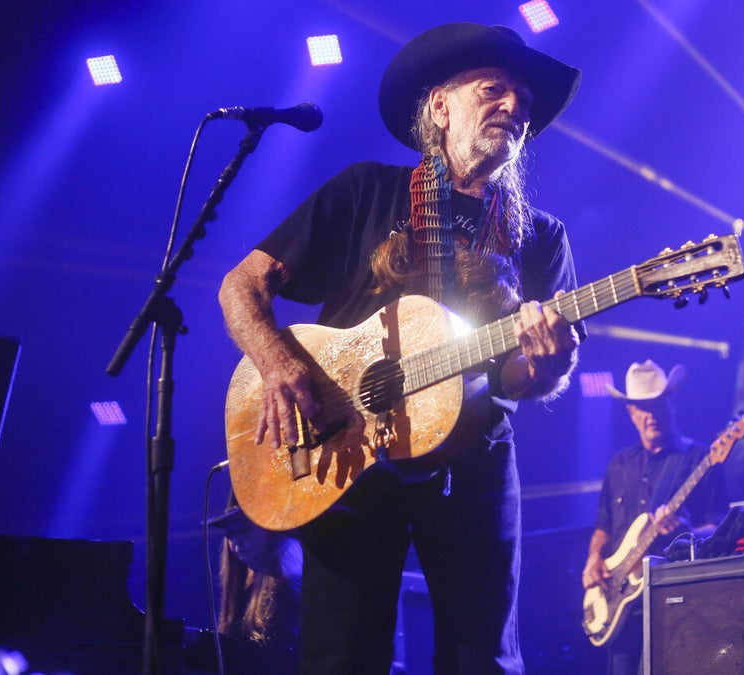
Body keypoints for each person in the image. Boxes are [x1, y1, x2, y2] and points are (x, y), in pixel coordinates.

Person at [218, 22, 584, 673]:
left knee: (484, 660)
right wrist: (279, 368)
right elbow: (241, 287)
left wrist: (550, 361)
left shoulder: (539, 238)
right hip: (345, 448)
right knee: (342, 656)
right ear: (440, 106)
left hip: (475, 460)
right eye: (494, 90)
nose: (514, 108)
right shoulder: (365, 191)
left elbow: (525, 375)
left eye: (524, 105)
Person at [581, 360, 729, 675]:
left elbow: (719, 527)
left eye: (658, 404)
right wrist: (593, 558)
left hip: (674, 599)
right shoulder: (619, 464)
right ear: (630, 411)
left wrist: (686, 532)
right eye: (642, 407)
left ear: (671, 402)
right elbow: (603, 526)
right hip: (619, 603)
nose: (651, 414)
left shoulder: (700, 458)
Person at [209, 499, 302, 674]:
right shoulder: (247, 592)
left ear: (270, 528)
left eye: (244, 529)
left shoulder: (289, 582)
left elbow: (278, 659)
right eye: (230, 534)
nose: (235, 541)